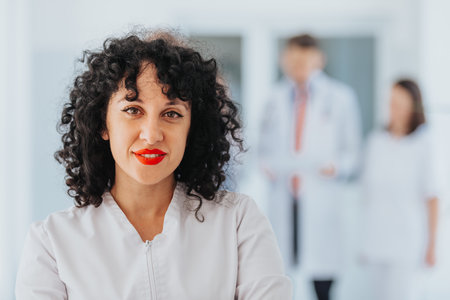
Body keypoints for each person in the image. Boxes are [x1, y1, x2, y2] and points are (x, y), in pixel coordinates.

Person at [15, 30, 292, 299]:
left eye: (171, 113)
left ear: (191, 128)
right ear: (103, 123)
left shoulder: (237, 222)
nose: (151, 134)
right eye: (133, 110)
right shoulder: (52, 242)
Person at [258, 34, 362, 300]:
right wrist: (266, 165)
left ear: (319, 60)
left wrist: (335, 167)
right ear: (284, 60)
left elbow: (352, 155)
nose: (298, 66)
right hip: (284, 195)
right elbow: (261, 147)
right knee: (280, 274)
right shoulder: (273, 98)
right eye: (293, 59)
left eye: (304, 60)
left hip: (321, 195)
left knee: (322, 278)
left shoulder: (340, 98)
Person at [360, 79, 438, 300]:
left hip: (407, 242)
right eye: (392, 102)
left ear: (413, 107)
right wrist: (364, 240)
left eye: (400, 103)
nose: (394, 109)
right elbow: (368, 196)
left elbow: (432, 196)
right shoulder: (376, 142)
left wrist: (432, 244)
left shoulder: (423, 144)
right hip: (376, 241)